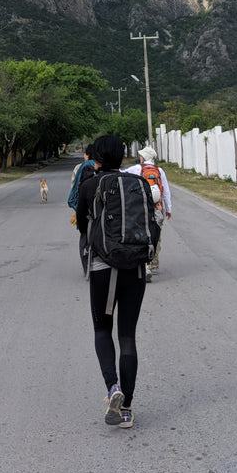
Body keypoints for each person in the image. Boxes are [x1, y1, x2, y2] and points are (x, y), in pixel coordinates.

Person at [76, 134, 148, 428]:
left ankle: (113, 388)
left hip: (102, 268)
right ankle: (127, 409)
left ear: (98, 158)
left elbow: (82, 225)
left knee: (102, 330)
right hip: (135, 267)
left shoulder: (90, 185)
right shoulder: (139, 183)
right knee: (127, 336)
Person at [126, 146, 172, 280]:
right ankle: (154, 264)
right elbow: (166, 192)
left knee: (142, 234)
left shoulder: (137, 169)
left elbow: (122, 173)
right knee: (156, 235)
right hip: (157, 208)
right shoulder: (160, 170)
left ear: (143, 157)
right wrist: (168, 209)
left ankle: (143, 263)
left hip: (141, 208)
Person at [68, 145, 95, 274]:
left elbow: (73, 187)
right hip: (97, 208)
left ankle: (86, 268)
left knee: (84, 236)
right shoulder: (101, 166)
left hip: (83, 208)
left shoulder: (79, 168)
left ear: (86, 155)